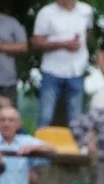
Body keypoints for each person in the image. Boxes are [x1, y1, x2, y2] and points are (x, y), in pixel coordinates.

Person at [30, 0, 94, 128]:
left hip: (77, 70)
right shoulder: (46, 12)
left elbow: (88, 32)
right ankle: (40, 147)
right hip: (51, 71)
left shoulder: (86, 10)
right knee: (46, 116)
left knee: (75, 118)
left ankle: (76, 147)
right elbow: (36, 42)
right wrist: (63, 45)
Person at [0, 0, 28, 102]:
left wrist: (0, 47)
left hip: (6, 82)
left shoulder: (11, 22)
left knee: (7, 115)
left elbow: (23, 46)